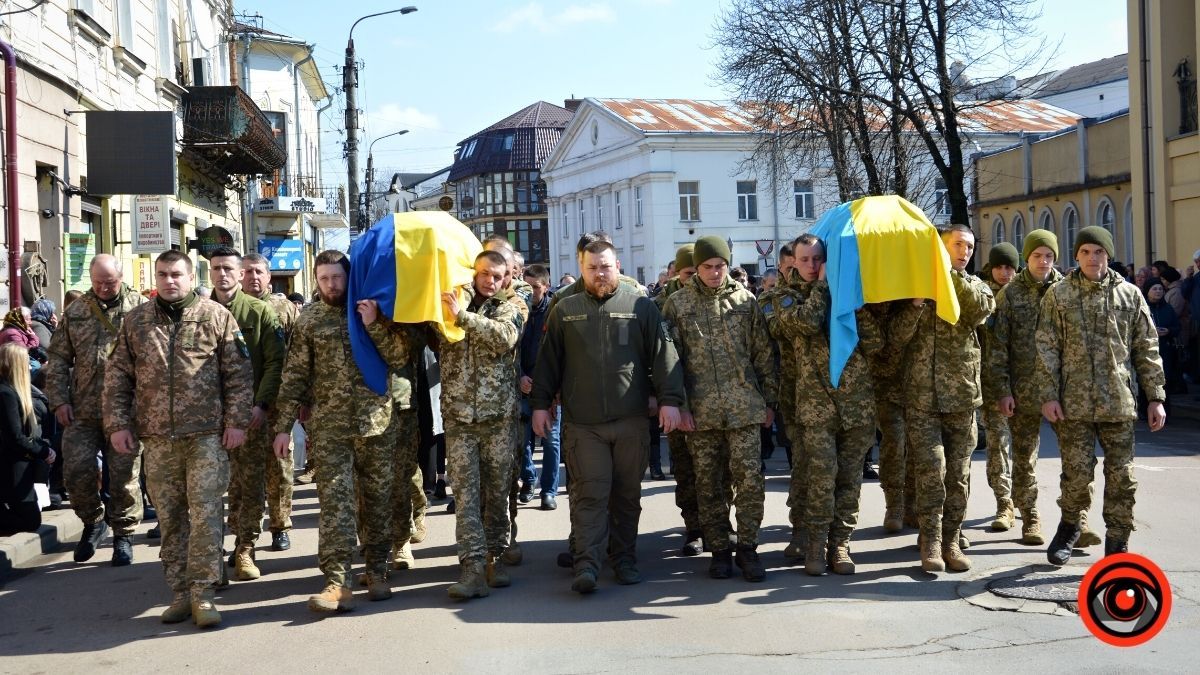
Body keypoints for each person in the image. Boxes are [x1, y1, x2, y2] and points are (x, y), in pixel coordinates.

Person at [104, 249, 252, 628]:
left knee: (205, 515)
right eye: (163, 274)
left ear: (190, 277)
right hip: (157, 439)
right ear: (156, 278)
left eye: (176, 275)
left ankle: (203, 594)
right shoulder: (136, 322)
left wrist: (236, 422)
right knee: (171, 519)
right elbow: (118, 377)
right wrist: (118, 424)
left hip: (205, 436)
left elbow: (238, 375)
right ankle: (180, 593)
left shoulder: (215, 316)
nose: (169, 281)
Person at [532, 240, 685, 593]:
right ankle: (587, 564)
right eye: (592, 268)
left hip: (630, 420)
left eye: (605, 267)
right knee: (589, 494)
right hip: (584, 424)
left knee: (627, 495)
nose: (600, 274)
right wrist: (541, 404)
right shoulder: (565, 309)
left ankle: (624, 558)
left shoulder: (641, 307)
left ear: (617, 265)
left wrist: (669, 401)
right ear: (582, 268)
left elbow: (664, 355)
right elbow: (548, 362)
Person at [272, 250, 409, 613]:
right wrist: (283, 427)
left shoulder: (372, 309)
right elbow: (294, 375)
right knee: (335, 504)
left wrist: (374, 324)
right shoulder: (310, 319)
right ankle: (337, 581)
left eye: (337, 277)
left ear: (349, 276)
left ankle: (377, 570)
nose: (331, 285)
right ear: (316, 281)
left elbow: (399, 358)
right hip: (331, 428)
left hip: (376, 423)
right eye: (324, 279)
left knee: (378, 501)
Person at [1038, 226, 1167, 562]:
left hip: (1118, 402)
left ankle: (1117, 542)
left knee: (1122, 478)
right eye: (1085, 252)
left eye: (1099, 252)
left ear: (1108, 255)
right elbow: (1047, 347)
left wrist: (1156, 397)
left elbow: (1146, 347)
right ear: (1076, 255)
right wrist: (1049, 395)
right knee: (1077, 475)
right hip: (1074, 404)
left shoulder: (1129, 295)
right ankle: (1070, 528)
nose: (1092, 258)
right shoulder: (1059, 295)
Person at [663, 236, 776, 582]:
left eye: (720, 266)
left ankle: (748, 548)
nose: (714, 272)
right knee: (708, 484)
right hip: (700, 412)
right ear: (696, 268)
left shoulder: (746, 302)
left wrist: (769, 402)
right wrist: (680, 406)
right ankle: (719, 550)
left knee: (750, 481)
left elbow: (763, 356)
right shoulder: (678, 305)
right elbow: (671, 362)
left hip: (744, 409)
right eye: (708, 267)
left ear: (728, 265)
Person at [774, 234, 882, 576]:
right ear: (793, 261)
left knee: (850, 480)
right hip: (815, 407)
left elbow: (876, 343)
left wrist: (855, 308)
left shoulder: (848, 296)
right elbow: (804, 324)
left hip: (856, 405)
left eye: (818, 259)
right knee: (821, 478)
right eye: (804, 260)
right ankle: (815, 546)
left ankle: (840, 545)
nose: (811, 266)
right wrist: (823, 288)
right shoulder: (784, 296)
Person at [892, 224, 995, 573]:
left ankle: (952, 538)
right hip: (922, 397)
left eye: (969, 246)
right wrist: (919, 301)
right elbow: (897, 336)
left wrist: (951, 277)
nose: (964, 251)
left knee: (959, 475)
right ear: (940, 246)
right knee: (930, 472)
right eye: (956, 245)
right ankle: (931, 540)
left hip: (962, 398)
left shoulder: (976, 286)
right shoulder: (915, 287)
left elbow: (978, 311)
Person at [43, 254, 146, 566]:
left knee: (124, 476)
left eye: (110, 282)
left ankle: (124, 536)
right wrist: (58, 400)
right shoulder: (76, 311)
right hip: (83, 410)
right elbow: (58, 358)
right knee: (76, 470)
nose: (103, 288)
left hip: (126, 412)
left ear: (121, 277)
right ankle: (93, 521)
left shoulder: (140, 309)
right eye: (98, 282)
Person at [435, 250, 523, 600]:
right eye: (485, 273)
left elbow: (504, 337)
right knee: (467, 495)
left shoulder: (511, 306)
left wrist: (463, 317)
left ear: (507, 279)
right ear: (474, 273)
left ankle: (494, 558)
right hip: (459, 419)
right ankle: (471, 568)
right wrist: (457, 308)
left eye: (498, 276)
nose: (491, 281)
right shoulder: (452, 301)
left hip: (498, 420)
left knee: (497, 492)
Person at [206, 248, 286, 582]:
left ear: (240, 274)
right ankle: (210, 555)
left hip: (249, 416)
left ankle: (245, 549)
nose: (222, 274)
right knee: (209, 489)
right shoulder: (198, 313)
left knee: (250, 485)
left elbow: (275, 362)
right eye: (215, 269)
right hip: (206, 418)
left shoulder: (259, 312)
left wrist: (261, 405)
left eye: (228, 268)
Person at [986, 230, 1060, 547]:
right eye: (1036, 256)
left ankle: (1076, 518)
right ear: (1026, 258)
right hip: (1023, 390)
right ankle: (1027, 515)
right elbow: (997, 349)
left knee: (1076, 460)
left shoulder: (1067, 290)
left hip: (1063, 392)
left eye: (1048, 256)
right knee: (1022, 458)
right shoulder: (1009, 296)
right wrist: (1003, 390)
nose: (1043, 262)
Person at [239, 253, 299, 551]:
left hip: (278, 400)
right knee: (243, 471)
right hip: (242, 401)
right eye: (247, 272)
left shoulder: (284, 308)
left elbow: (299, 354)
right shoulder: (229, 308)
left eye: (258, 272)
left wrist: (303, 399)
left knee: (280, 467)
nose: (253, 277)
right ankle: (242, 532)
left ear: (268, 275)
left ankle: (280, 525)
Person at [654, 244, 706, 556]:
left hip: (711, 401)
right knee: (685, 470)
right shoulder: (662, 304)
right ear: (676, 273)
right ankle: (694, 527)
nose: (692, 279)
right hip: (676, 399)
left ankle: (717, 524)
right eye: (687, 273)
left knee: (716, 472)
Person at [978, 242, 1018, 532]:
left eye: (1010, 267)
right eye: (999, 267)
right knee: (998, 445)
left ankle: (1026, 505)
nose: (1004, 273)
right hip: (990, 382)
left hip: (1023, 381)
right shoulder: (980, 294)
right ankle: (1004, 503)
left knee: (1025, 450)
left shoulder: (1024, 294)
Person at [519, 264, 561, 510]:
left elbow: (559, 352)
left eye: (535, 287)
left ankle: (549, 491)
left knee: (550, 441)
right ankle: (529, 480)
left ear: (546, 287)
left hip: (548, 389)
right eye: (527, 286)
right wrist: (520, 377)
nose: (531, 292)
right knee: (523, 440)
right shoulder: (516, 310)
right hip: (522, 386)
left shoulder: (555, 312)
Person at [1, 343, 55, 535]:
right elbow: (15, 437)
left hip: (19, 464)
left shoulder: (11, 391)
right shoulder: (6, 393)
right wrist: (44, 451)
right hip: (11, 466)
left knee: (30, 519)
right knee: (29, 520)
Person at [1144, 281, 1180, 416]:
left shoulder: (1168, 308)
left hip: (1165, 349)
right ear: (1148, 291)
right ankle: (1145, 410)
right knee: (1147, 379)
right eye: (1155, 289)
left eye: (1160, 289)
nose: (1158, 291)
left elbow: (1177, 327)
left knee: (1165, 379)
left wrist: (1168, 331)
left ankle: (1165, 410)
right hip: (1147, 349)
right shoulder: (1143, 307)